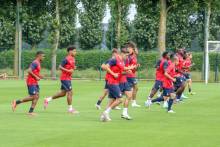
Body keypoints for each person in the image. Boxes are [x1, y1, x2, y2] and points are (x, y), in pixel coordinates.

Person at [100, 48, 134, 122]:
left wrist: (128, 70)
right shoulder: (114, 59)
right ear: (122, 53)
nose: (127, 57)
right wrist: (113, 74)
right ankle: (106, 112)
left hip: (115, 82)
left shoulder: (121, 61)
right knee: (120, 99)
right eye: (126, 55)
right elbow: (105, 67)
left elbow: (121, 71)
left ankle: (103, 116)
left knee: (112, 101)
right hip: (112, 82)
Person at [44, 46, 79, 114]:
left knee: (63, 94)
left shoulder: (73, 59)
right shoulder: (66, 59)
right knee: (70, 92)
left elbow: (70, 68)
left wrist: (73, 68)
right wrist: (68, 70)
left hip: (68, 78)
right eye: (74, 51)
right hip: (65, 78)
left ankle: (47, 99)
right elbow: (60, 67)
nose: (75, 52)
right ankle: (70, 109)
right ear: (70, 51)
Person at [11, 51, 45, 116]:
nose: (44, 57)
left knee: (37, 96)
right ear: (39, 56)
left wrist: (40, 76)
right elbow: (29, 70)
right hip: (31, 81)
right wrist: (36, 77)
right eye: (43, 56)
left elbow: (34, 72)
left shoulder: (38, 63)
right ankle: (16, 102)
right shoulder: (35, 62)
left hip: (35, 81)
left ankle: (30, 112)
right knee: (33, 96)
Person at [126, 41, 140, 107]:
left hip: (132, 75)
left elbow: (134, 69)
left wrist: (137, 66)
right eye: (128, 48)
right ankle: (133, 102)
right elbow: (127, 67)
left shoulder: (134, 57)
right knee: (135, 88)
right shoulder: (129, 57)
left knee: (131, 89)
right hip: (129, 75)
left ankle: (133, 102)